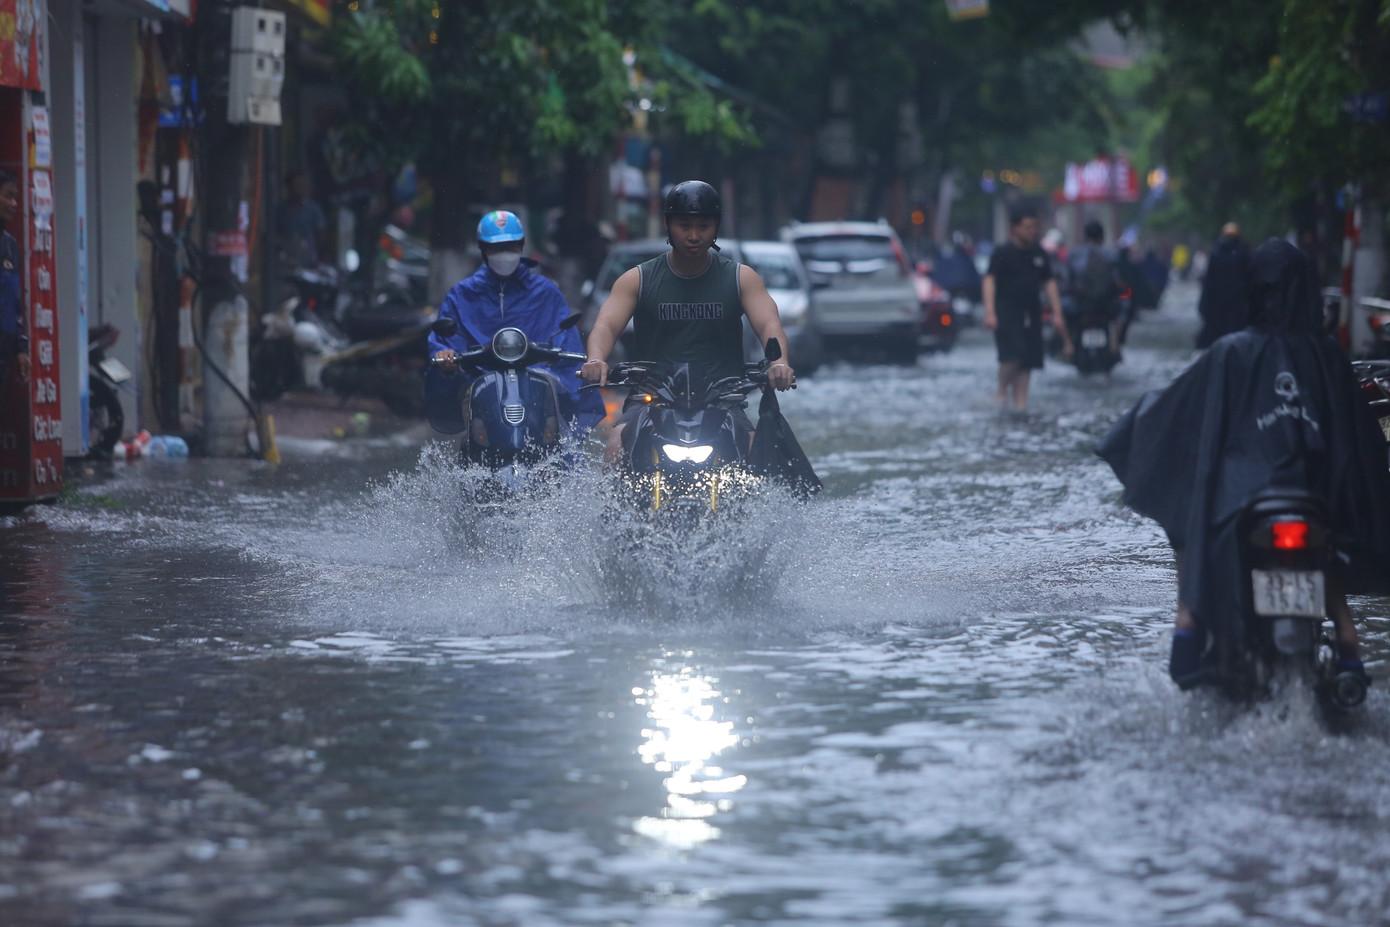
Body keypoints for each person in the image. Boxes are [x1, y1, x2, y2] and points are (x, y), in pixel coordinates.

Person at [1097, 238, 1390, 688]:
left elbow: (1177, 413)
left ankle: (1188, 629)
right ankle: (1348, 640)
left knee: (1191, 528)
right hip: (1314, 495)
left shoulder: (1230, 351)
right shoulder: (1327, 355)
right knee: (1328, 540)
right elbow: (1357, 440)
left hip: (1242, 497)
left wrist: (1131, 431)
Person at [579, 180, 796, 460]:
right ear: (669, 225)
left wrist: (779, 363)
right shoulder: (638, 279)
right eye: (684, 226)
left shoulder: (741, 278)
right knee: (615, 447)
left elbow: (770, 326)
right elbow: (605, 326)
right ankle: (613, 506)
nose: (694, 235)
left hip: (722, 400)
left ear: (715, 227)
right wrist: (596, 360)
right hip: (651, 397)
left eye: (703, 226)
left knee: (756, 454)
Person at [429, 210, 603, 436]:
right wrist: (445, 356)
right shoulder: (462, 294)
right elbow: (443, 341)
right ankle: (473, 459)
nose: (505, 254)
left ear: (522, 246)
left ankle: (557, 462)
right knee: (474, 417)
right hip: (479, 380)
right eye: (497, 248)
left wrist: (563, 362)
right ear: (483, 249)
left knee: (556, 423)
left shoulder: (545, 292)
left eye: (511, 246)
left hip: (540, 380)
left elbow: (565, 339)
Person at [983, 205, 1072, 409]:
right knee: (1012, 354)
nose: (1032, 231)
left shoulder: (1038, 253)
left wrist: (1058, 314)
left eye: (1035, 227)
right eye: (1028, 227)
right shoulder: (1003, 252)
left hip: (1032, 311)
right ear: (1014, 228)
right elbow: (989, 280)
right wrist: (990, 312)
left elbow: (1049, 283)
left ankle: (1021, 402)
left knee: (1029, 359)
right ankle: (1001, 392)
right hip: (1005, 310)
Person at [1065, 220, 1126, 352]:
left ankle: (1067, 345)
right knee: (1124, 308)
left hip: (1079, 304)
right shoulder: (1110, 255)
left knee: (1061, 311)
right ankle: (1115, 344)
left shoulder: (1074, 254)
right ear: (1102, 237)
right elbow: (1118, 281)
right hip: (1105, 304)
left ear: (1085, 236)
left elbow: (1068, 281)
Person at [1195, 222, 1250, 349]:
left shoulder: (1217, 254)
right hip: (1236, 303)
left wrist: (1204, 304)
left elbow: (1209, 282)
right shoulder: (1243, 253)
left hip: (1218, 303)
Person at [0, 169, 29, 395]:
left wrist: (21, 348)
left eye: (15, 196)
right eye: (8, 195)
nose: (14, 203)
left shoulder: (10, 245)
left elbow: (15, 302)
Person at [275, 171, 327, 269]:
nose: (300, 189)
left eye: (303, 185)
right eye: (297, 185)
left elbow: (321, 236)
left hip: (308, 262)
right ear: (289, 187)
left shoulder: (313, 210)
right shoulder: (279, 210)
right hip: (285, 262)